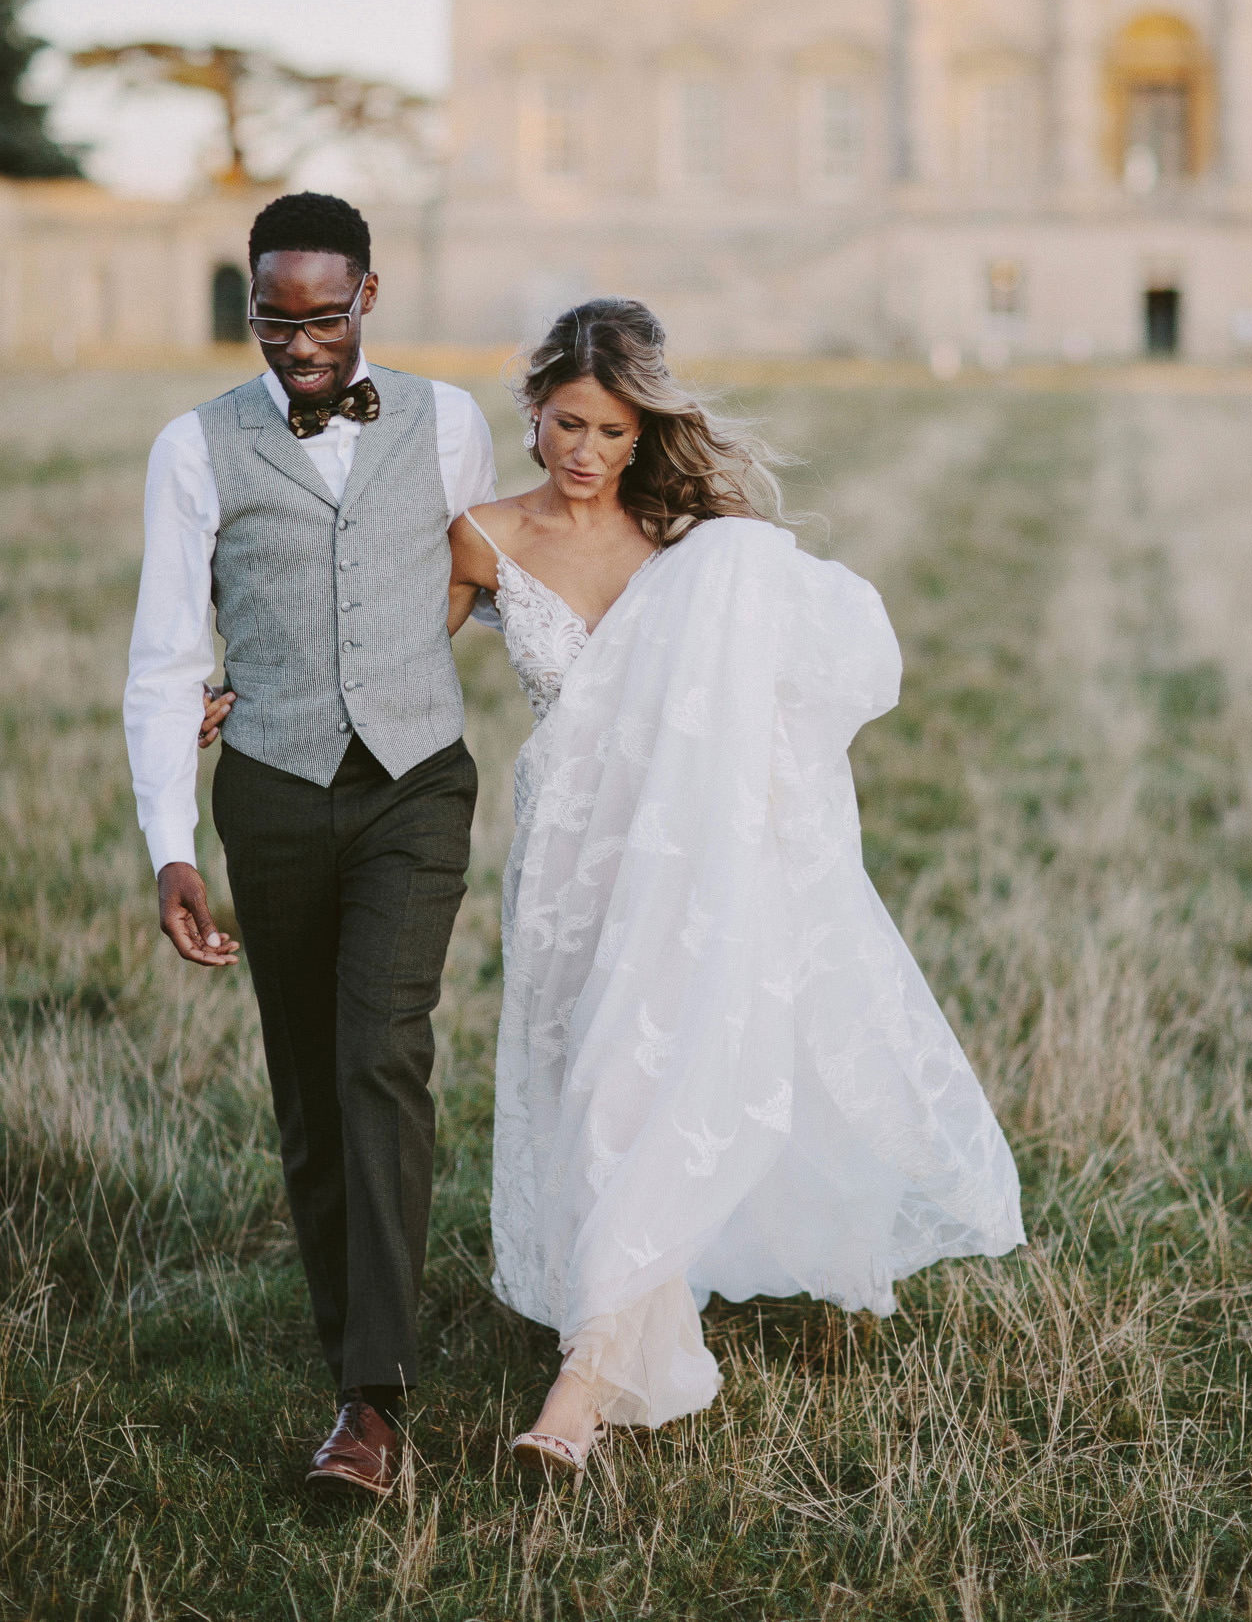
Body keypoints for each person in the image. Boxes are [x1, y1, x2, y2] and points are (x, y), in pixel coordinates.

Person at [447, 298, 1024, 1480]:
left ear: (644, 431)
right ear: (534, 412)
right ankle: (614, 1317)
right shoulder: (481, 538)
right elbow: (393, 679)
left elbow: (837, 663)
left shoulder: (700, 546)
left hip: (691, 856)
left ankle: (582, 1388)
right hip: (570, 856)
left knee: (641, 1079)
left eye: (613, 432)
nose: (587, 454)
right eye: (566, 424)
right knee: (584, 1080)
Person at [124, 192, 497, 1500]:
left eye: (323, 318)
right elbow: (167, 652)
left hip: (416, 783)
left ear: (370, 299)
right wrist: (170, 838)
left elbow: (477, 576)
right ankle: (355, 1340)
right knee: (307, 1086)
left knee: (381, 1053)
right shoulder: (192, 447)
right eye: (273, 321)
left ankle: (372, 1401)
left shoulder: (450, 421)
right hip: (271, 796)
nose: (298, 346)